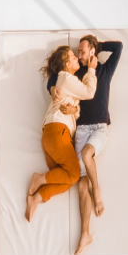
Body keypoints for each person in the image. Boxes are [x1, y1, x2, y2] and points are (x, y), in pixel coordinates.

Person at [47, 35, 123, 254]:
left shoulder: (105, 70)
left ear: (92, 51)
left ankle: (97, 191)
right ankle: (85, 234)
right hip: (80, 129)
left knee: (88, 155)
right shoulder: (77, 73)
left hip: (99, 128)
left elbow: (118, 46)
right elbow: (54, 79)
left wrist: (96, 50)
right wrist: (52, 89)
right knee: (81, 184)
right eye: (77, 53)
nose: (78, 55)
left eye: (81, 51)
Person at [27, 45, 97, 222]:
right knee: (73, 175)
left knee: (64, 180)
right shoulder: (66, 78)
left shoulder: (65, 81)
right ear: (66, 64)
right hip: (58, 132)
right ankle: (39, 178)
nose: (76, 59)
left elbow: (72, 106)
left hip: (52, 135)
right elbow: (89, 93)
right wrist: (91, 69)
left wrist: (75, 110)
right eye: (73, 57)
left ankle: (35, 198)